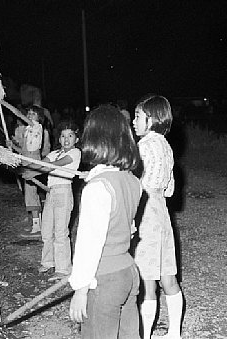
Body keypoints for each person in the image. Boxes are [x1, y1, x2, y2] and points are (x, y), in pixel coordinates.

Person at [69, 104, 142, 339]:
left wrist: (80, 289)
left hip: (104, 280)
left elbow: (89, 244)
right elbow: (130, 229)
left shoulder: (97, 188)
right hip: (128, 273)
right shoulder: (133, 182)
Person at [132, 94, 184, 339]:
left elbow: (137, 184)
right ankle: (174, 332)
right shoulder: (165, 144)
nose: (134, 121)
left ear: (151, 119)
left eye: (138, 116)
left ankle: (145, 335)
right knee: (168, 275)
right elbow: (170, 188)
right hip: (161, 211)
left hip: (146, 211)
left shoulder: (143, 146)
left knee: (147, 280)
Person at [22, 120, 81, 281]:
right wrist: (29, 168)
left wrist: (33, 173)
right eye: (63, 136)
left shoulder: (75, 153)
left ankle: (63, 269)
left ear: (76, 139)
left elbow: (56, 165)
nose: (66, 139)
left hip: (64, 192)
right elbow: (42, 164)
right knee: (47, 230)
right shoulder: (54, 153)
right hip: (51, 193)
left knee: (60, 232)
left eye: (70, 136)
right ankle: (48, 262)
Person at [8, 105, 46, 237]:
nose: (29, 116)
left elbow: (19, 114)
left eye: (33, 114)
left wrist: (3, 103)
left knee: (31, 194)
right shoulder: (27, 131)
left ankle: (37, 227)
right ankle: (36, 224)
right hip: (26, 161)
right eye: (28, 113)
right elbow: (24, 152)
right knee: (30, 195)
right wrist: (12, 146)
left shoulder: (36, 127)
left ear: (39, 118)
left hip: (32, 163)